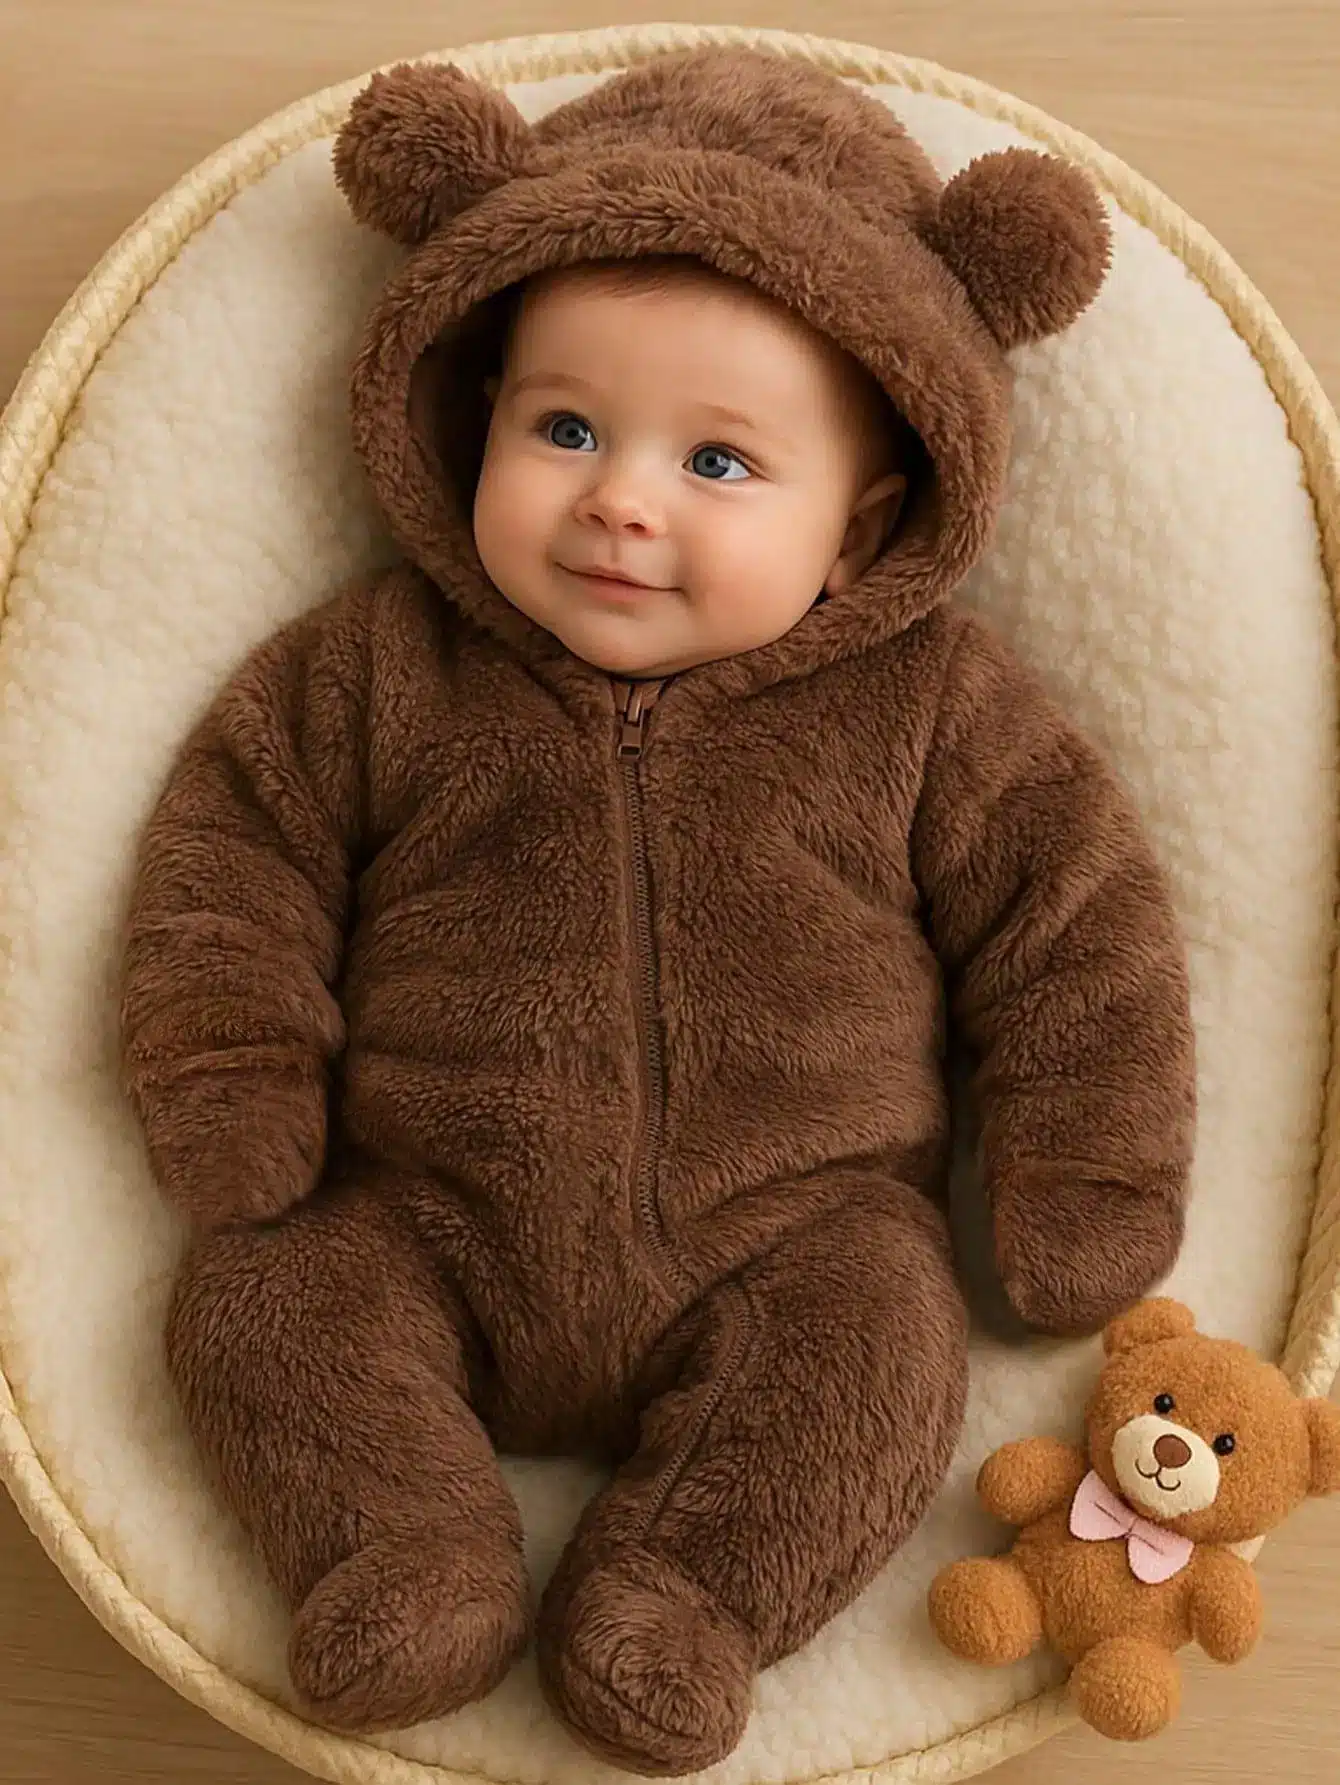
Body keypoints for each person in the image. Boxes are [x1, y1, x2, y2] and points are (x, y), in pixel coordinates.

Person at [119, 46, 1197, 1779]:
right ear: (472, 416)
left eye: (719, 461)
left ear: (861, 532)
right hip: (425, 1215)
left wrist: (1087, 1174)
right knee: (258, 1297)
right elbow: (232, 860)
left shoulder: (933, 711)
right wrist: (235, 1075)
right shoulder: (377, 671)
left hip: (785, 1239)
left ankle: (686, 1593)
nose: (621, 497)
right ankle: (406, 1546)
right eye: (564, 430)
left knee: (883, 1336)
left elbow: (1076, 934)